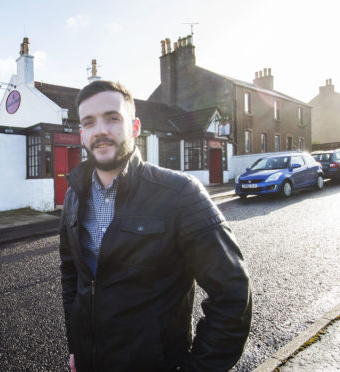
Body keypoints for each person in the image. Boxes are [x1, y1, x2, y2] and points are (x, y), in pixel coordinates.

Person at [59, 80, 252, 372]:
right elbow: (72, 276)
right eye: (89, 122)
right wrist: (76, 347)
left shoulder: (180, 193)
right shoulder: (74, 196)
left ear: (135, 127)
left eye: (113, 118)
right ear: (82, 133)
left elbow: (233, 295)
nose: (100, 130)